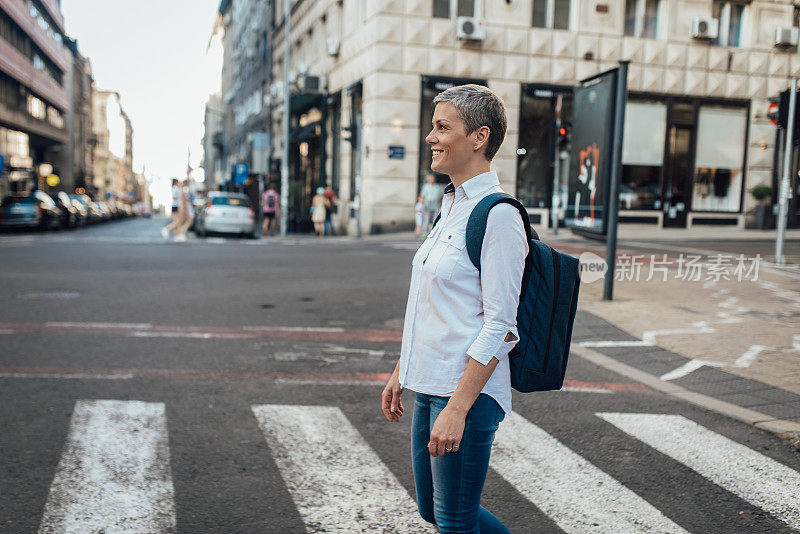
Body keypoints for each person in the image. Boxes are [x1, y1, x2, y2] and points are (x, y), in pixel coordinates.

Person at [381, 84, 527, 533]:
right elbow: (434, 304)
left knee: (454, 519)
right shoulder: (451, 206)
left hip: (465, 391)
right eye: (431, 126)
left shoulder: (496, 215)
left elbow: (502, 326)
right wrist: (402, 368)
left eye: (442, 127)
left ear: (479, 138)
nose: (430, 137)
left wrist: (459, 407)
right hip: (429, 381)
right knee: (434, 510)